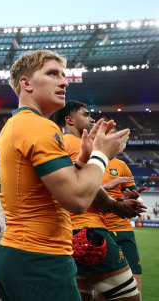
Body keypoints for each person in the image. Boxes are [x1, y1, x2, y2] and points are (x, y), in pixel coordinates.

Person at [0, 49, 131, 301]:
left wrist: (81, 161)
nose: (64, 81)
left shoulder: (15, 125)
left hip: (21, 253)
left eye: (64, 75)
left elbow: (47, 189)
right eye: (52, 73)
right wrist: (102, 155)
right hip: (40, 259)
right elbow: (77, 200)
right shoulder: (39, 126)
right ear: (26, 83)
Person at [50, 100, 144, 301]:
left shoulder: (59, 143)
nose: (91, 118)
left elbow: (76, 182)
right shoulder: (77, 144)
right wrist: (116, 205)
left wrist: (110, 192)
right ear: (69, 120)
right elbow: (83, 188)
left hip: (68, 233)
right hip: (89, 231)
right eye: (85, 114)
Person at [101, 161, 144, 298]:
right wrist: (108, 191)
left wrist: (135, 198)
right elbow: (81, 195)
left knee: (135, 289)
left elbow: (136, 195)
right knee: (103, 290)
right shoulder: (85, 161)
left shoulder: (121, 165)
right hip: (100, 229)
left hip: (124, 230)